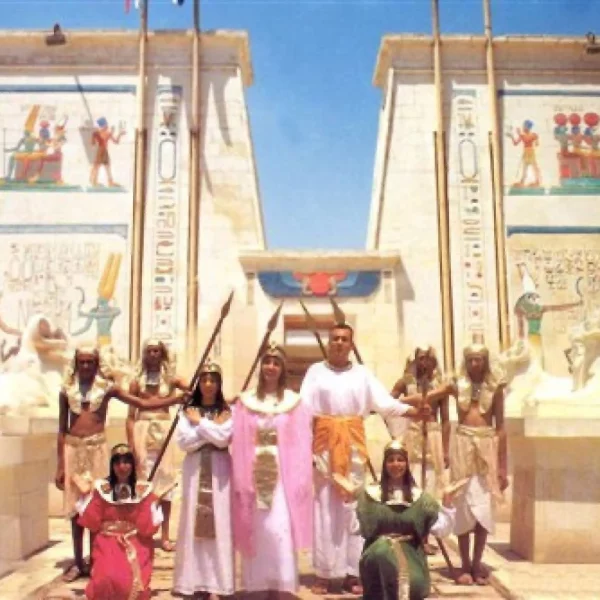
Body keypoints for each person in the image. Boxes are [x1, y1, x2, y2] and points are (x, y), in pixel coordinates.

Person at [300, 322, 428, 596]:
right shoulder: (315, 372)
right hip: (324, 448)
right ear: (329, 342)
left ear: (351, 344)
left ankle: (352, 572)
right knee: (324, 509)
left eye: (344, 339)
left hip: (353, 448)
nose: (339, 343)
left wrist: (412, 412)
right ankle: (324, 573)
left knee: (354, 509)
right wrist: (305, 450)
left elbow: (385, 404)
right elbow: (303, 411)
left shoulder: (362, 374)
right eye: (334, 338)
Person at [55, 345, 186, 582]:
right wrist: (60, 465)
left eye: (90, 362)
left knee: (97, 505)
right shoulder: (66, 390)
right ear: (76, 363)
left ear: (97, 364)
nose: (86, 366)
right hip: (73, 450)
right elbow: (62, 429)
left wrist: (175, 399)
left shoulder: (107, 389)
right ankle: (78, 561)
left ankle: (96, 560)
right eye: (82, 362)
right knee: (75, 509)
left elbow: (142, 404)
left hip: (97, 449)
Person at [232, 342, 313, 598]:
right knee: (257, 524)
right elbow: (237, 437)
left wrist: (300, 477)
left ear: (282, 368)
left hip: (282, 470)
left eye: (276, 363)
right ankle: (256, 583)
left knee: (279, 525)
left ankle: (282, 581)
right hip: (254, 466)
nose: (271, 367)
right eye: (267, 362)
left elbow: (301, 441)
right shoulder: (246, 401)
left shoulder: (293, 402)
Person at [357, 440, 457, 600]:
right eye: (391, 460)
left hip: (411, 554)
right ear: (385, 464)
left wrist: (448, 504)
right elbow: (355, 528)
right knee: (383, 553)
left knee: (413, 584)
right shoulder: (371, 495)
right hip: (376, 555)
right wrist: (348, 502)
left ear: (406, 463)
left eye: (400, 459)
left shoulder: (419, 497)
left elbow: (442, 530)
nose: (396, 464)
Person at [448, 342, 508, 586]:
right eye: (471, 359)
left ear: (485, 361)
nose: (475, 363)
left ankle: (476, 563)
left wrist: (503, 467)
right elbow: (432, 395)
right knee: (462, 506)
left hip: (486, 447)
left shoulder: (495, 387)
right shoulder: (457, 384)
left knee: (483, 509)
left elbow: (501, 426)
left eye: (479, 359)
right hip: (462, 446)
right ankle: (464, 564)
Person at [173, 361, 234, 599]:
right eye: (204, 380)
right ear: (199, 383)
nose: (208, 384)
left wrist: (200, 423)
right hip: (195, 469)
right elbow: (184, 442)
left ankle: (219, 583)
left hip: (220, 471)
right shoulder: (187, 410)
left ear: (219, 384)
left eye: (213, 380)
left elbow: (224, 439)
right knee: (192, 521)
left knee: (220, 522)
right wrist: (211, 431)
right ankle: (193, 581)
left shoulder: (227, 411)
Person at [76, 443, 166, 599]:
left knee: (129, 584)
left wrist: (154, 504)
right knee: (106, 578)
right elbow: (92, 522)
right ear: (112, 466)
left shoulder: (143, 491)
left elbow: (146, 528)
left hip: (135, 543)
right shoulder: (102, 490)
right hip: (106, 543)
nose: (122, 467)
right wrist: (85, 496)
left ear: (132, 465)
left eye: (126, 462)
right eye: (117, 462)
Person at [126, 339, 188, 552]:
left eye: (157, 351)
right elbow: (130, 416)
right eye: (150, 351)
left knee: (166, 482)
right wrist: (131, 444)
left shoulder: (170, 379)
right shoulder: (136, 382)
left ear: (162, 354)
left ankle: (165, 535)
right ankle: (144, 531)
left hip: (164, 430)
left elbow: (191, 388)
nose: (153, 354)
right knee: (143, 481)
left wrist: (188, 391)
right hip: (142, 431)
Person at [391, 345, 451, 554]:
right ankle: (410, 534)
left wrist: (445, 449)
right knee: (411, 484)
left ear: (433, 361)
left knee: (429, 488)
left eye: (428, 358)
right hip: (412, 434)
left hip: (432, 436)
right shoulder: (405, 382)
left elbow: (446, 420)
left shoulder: (440, 385)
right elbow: (388, 403)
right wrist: (409, 403)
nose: (424, 362)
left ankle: (424, 536)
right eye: (421, 358)